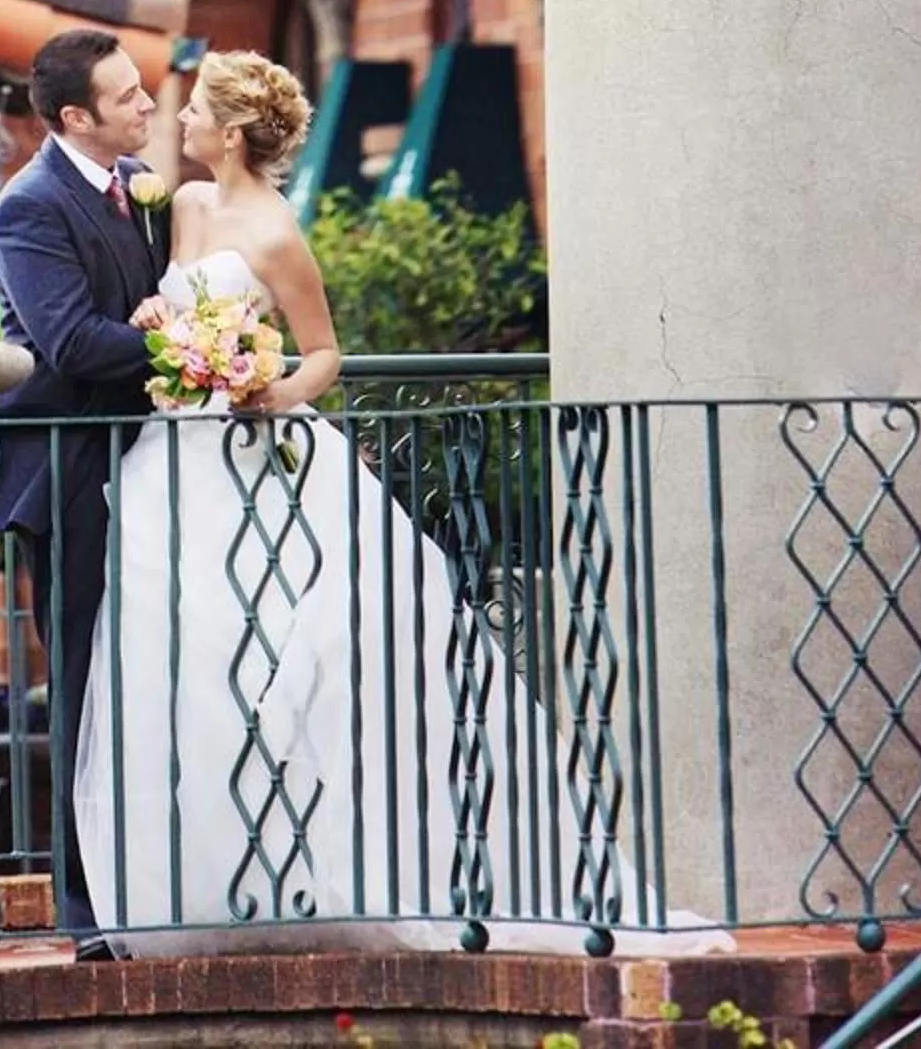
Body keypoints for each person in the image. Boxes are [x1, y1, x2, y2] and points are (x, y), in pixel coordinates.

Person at [74, 51, 731, 955]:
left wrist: (268, 386)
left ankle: (345, 874)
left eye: (191, 113)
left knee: (291, 661)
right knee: (179, 661)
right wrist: (159, 327)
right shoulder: (183, 206)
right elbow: (171, 307)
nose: (174, 123)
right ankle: (213, 887)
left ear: (229, 133)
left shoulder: (275, 234)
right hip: (172, 457)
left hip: (255, 448)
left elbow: (324, 355)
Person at [0, 27, 164, 938]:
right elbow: (74, 343)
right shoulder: (30, 207)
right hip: (72, 470)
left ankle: (160, 876)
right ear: (75, 117)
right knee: (86, 681)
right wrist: (199, 338)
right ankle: (87, 907)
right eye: (128, 97)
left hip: (152, 463)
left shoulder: (138, 188)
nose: (148, 105)